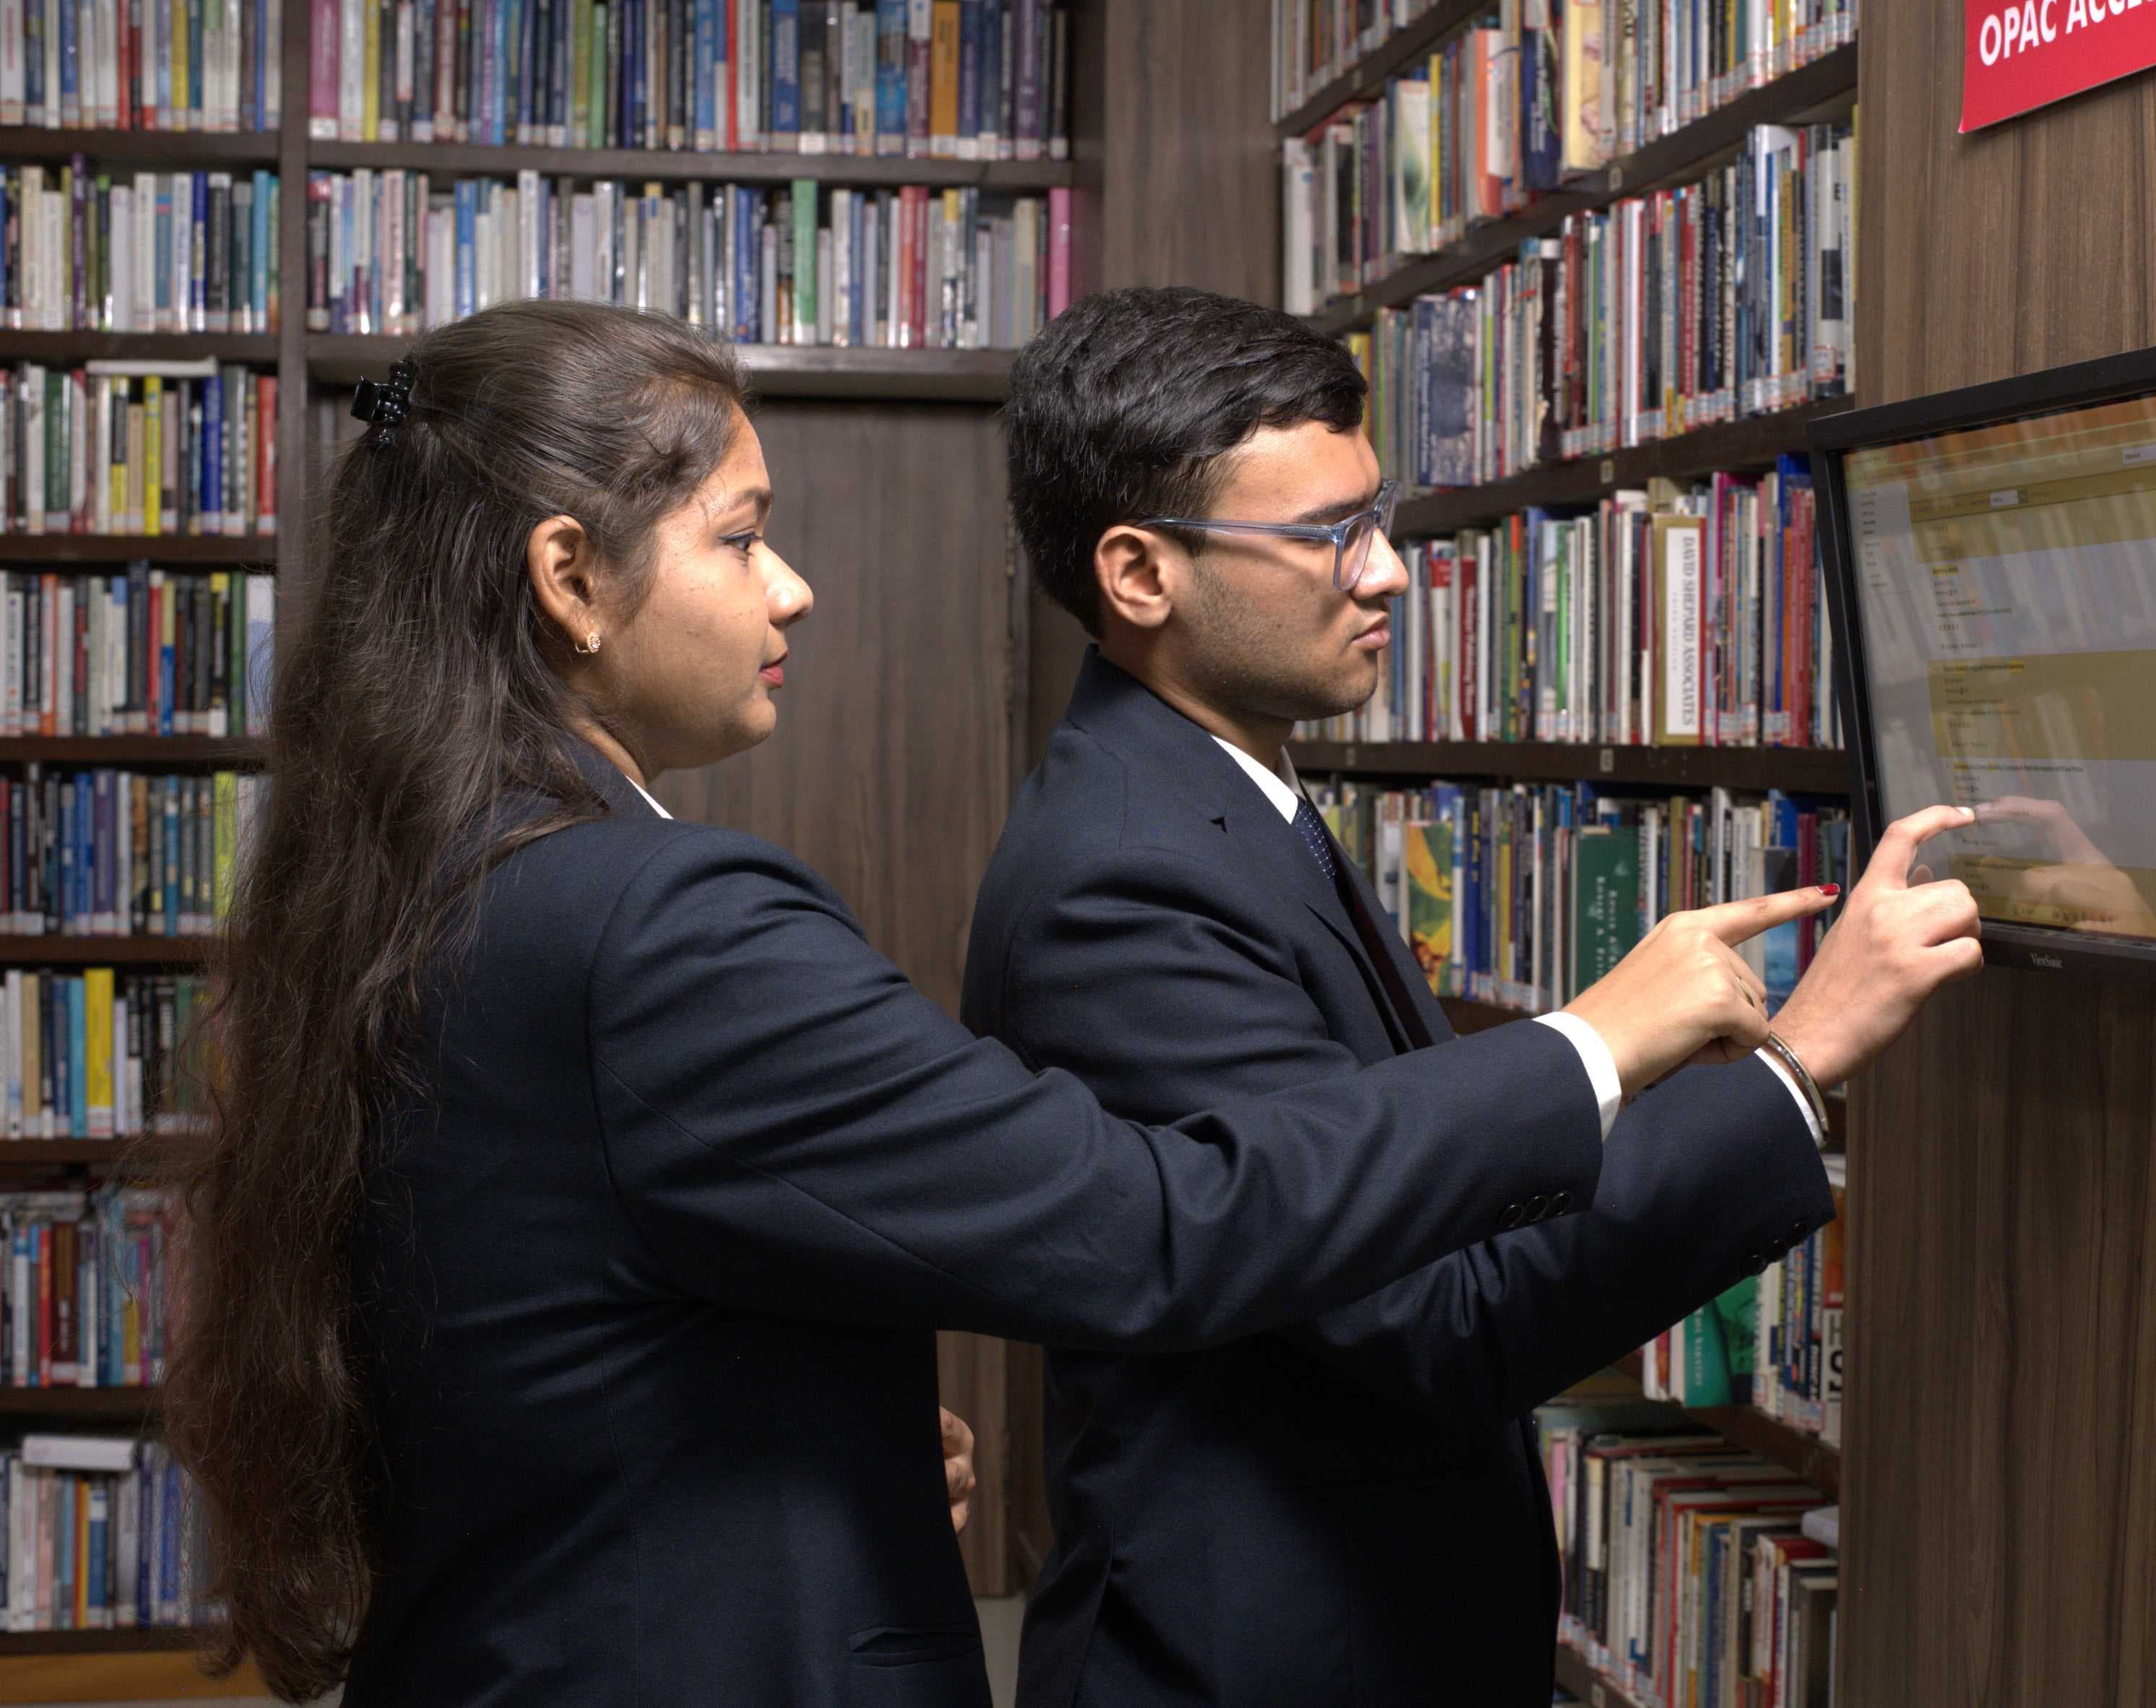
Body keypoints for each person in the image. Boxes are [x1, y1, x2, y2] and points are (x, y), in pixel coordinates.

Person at [163, 300, 1845, 1708]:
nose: (792, 588)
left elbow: (541, 1332)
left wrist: (838, 1427)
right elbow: (1152, 1217)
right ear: (569, 577)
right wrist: (1595, 1038)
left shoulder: (447, 874)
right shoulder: (655, 920)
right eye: (742, 538)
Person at [968, 286, 1986, 1708]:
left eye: (1378, 518)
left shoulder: (1214, 796)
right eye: (1329, 537)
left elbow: (1402, 1176)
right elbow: (1437, 1315)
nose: (1386, 574)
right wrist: (1797, 1061)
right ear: (1140, 575)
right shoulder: (1124, 885)